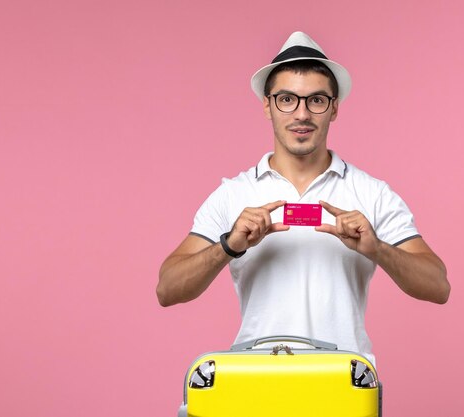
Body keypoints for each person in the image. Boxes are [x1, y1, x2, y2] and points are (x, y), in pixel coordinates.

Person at [157, 31, 449, 363]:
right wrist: (228, 245)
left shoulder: (372, 193)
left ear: (333, 108)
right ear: (267, 106)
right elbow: (167, 288)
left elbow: (438, 286)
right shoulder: (233, 194)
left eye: (316, 100)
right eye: (286, 99)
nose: (301, 114)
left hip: (344, 386)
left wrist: (377, 249)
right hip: (257, 383)